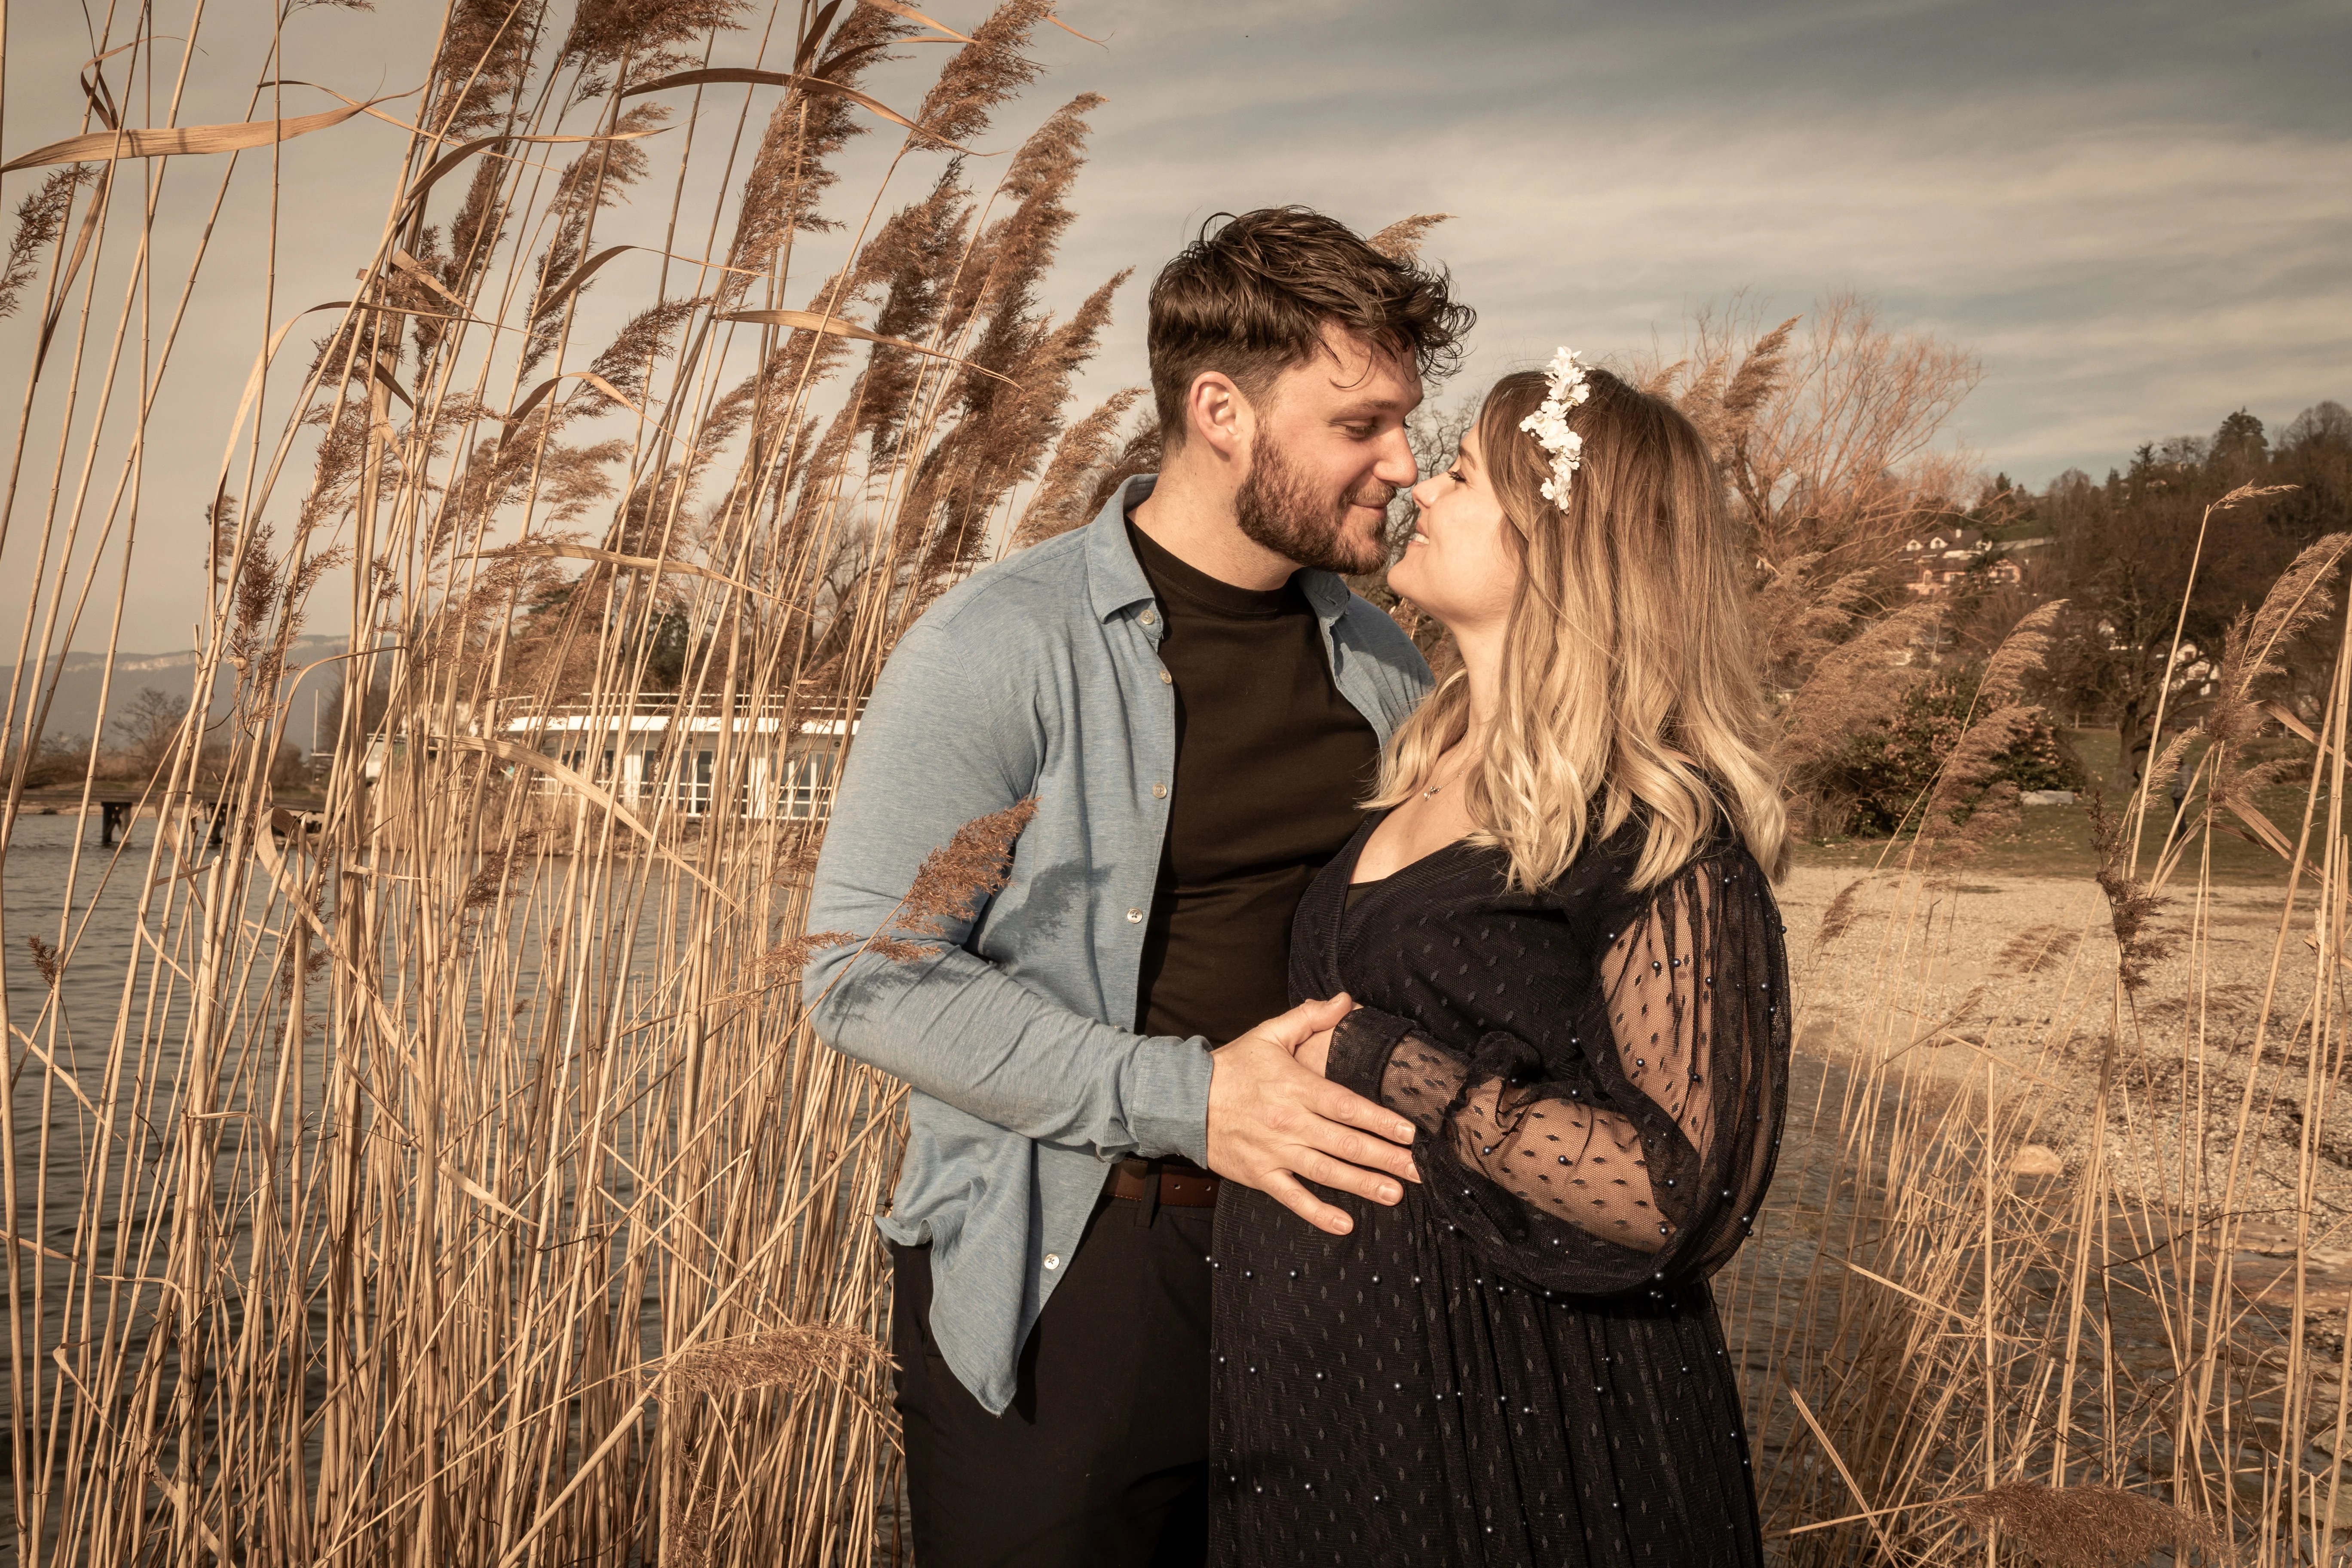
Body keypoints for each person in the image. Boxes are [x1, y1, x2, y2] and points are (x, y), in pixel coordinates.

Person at [804, 207, 1474, 1566]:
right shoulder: (999, 644)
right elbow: (863, 977)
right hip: (1082, 1271)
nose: (1405, 464)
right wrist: (1194, 1098)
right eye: (1361, 425)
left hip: (1328, 1273)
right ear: (1222, 408)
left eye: (1408, 422)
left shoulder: (1387, 671)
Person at [1208, 354, 1792, 1567]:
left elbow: (1684, 1195)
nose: (1420, 481)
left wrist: (1388, 1057)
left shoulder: (1658, 826)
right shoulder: (1418, 758)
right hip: (1329, 1409)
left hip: (1520, 1415)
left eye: (1463, 474)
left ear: (1558, 541)